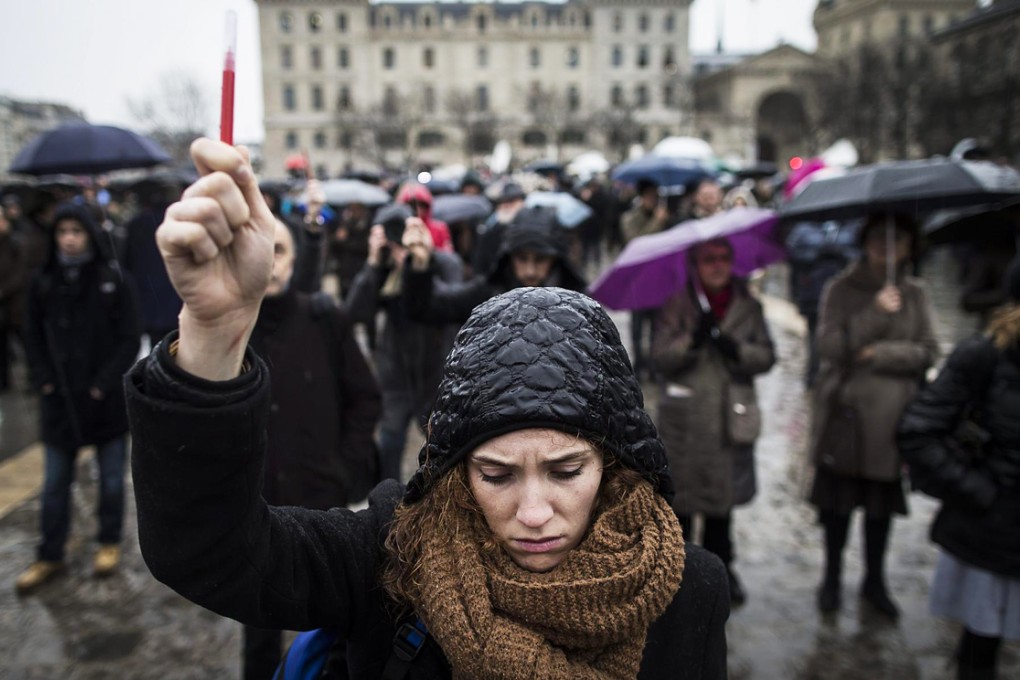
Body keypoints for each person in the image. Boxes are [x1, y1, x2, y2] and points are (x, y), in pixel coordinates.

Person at [127, 139, 730, 679]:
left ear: (613, 462)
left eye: (566, 471)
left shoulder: (686, 590)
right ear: (458, 472)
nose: (535, 512)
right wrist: (214, 332)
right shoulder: (391, 559)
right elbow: (208, 549)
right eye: (495, 475)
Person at [242, 218, 382, 679]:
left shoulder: (325, 319)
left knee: (330, 625)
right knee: (258, 624)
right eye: (262, 251)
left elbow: (365, 398)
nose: (271, 263)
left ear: (295, 258)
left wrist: (343, 467)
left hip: (323, 501)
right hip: (256, 506)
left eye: (279, 250)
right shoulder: (233, 329)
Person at [809, 212, 939, 618]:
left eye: (897, 240)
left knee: (880, 508)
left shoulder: (916, 292)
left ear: (909, 247)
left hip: (892, 419)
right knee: (838, 506)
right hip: (846, 415)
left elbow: (928, 350)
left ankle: (874, 580)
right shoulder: (841, 288)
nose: (887, 248)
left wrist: (877, 354)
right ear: (865, 243)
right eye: (879, 240)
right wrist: (875, 315)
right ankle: (831, 577)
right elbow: (829, 347)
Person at [897, 256, 1020, 680]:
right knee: (980, 651)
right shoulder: (984, 357)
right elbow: (917, 433)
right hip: (990, 535)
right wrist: (980, 491)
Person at [16, 202, 140, 593]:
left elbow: (128, 338)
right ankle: (50, 552)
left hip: (104, 403)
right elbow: (31, 335)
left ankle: (108, 541)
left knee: (111, 482)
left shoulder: (113, 279)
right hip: (59, 403)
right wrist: (44, 381)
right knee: (54, 485)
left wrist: (104, 383)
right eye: (62, 232)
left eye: (76, 231)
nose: (69, 239)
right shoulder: (44, 282)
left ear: (90, 234)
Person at [651, 237, 776, 606]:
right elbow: (659, 356)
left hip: (728, 416)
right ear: (695, 264)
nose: (717, 266)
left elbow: (767, 356)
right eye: (709, 259)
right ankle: (680, 573)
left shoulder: (748, 305)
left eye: (724, 258)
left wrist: (735, 349)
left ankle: (723, 570)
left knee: (722, 505)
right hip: (686, 419)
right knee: (683, 503)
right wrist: (693, 340)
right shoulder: (677, 303)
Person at [345, 204, 462, 483]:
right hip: (395, 372)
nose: (400, 249)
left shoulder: (445, 263)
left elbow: (453, 305)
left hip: (436, 371)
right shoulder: (383, 270)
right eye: (393, 242)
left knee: (445, 447)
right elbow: (354, 313)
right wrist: (373, 264)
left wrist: (421, 266)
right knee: (390, 441)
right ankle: (389, 505)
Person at [403, 206, 586, 325]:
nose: (530, 270)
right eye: (522, 258)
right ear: (509, 257)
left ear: (555, 261)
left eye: (540, 260)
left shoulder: (577, 305)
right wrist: (420, 264)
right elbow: (429, 309)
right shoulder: (489, 295)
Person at [621, 179, 675, 382]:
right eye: (650, 196)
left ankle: (654, 364)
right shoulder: (629, 218)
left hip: (658, 280)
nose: (653, 200)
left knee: (657, 325)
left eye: (656, 196)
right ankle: (639, 364)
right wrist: (657, 222)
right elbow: (637, 243)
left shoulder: (665, 217)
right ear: (642, 197)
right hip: (637, 280)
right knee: (637, 326)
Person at [472, 182, 525, 278]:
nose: (507, 206)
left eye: (512, 201)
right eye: (504, 202)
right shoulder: (489, 226)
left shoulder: (529, 225)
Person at [0, 208, 27, 391]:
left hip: (14, 303)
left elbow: (20, 272)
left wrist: (4, 290)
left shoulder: (15, 242)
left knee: (23, 340)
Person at [397, 182, 453, 253]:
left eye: (422, 205)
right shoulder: (397, 228)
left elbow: (447, 255)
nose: (418, 210)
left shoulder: (439, 228)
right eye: (411, 205)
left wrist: (430, 248)